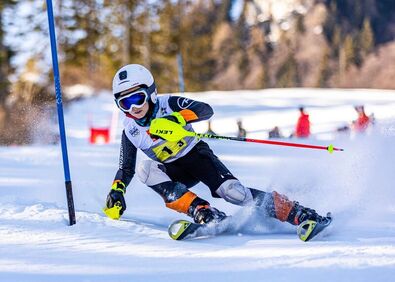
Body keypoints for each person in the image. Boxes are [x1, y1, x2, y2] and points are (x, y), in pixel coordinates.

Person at [104, 64, 327, 231]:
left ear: (151, 93)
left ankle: (296, 212)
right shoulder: (130, 130)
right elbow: (126, 168)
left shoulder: (167, 104)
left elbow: (205, 110)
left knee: (234, 193)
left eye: (138, 98)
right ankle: (202, 210)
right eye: (125, 103)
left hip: (197, 157)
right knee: (145, 169)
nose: (134, 108)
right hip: (175, 171)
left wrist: (177, 119)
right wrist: (117, 190)